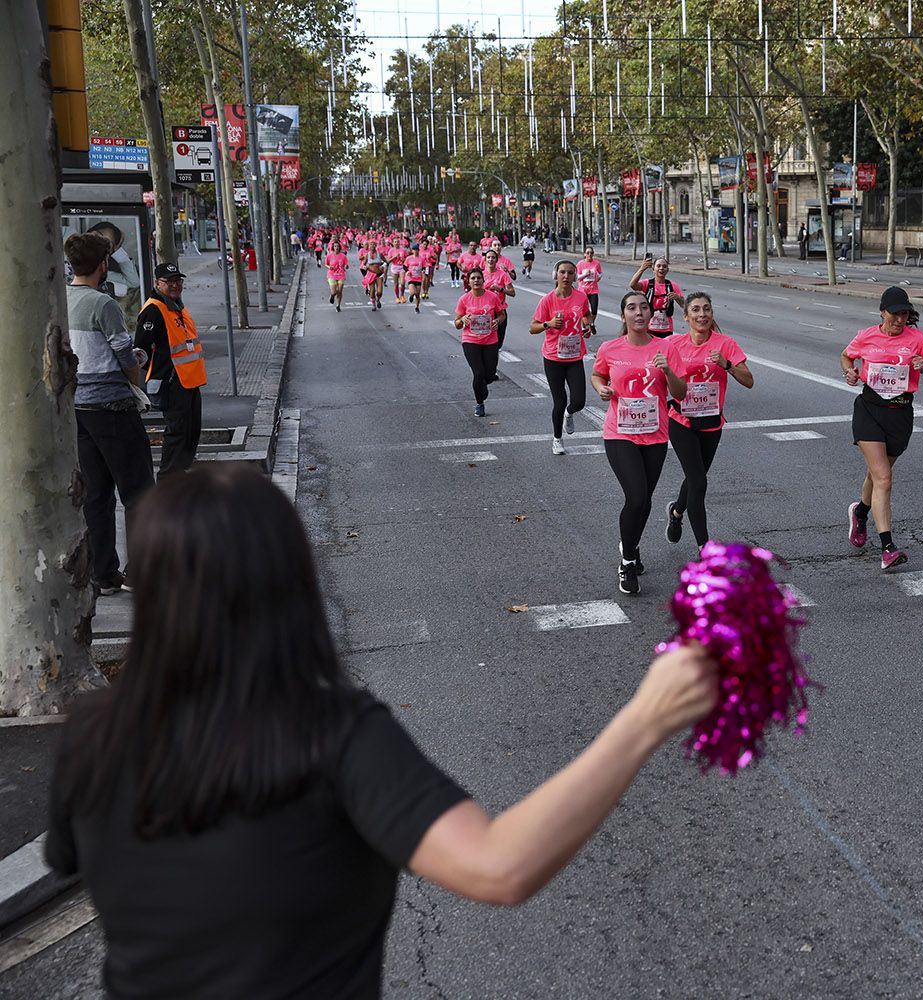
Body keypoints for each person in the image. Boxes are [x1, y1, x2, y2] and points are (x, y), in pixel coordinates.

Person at [45, 464, 718, 999]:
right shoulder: (333, 735)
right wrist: (643, 719)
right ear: (291, 583)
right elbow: (498, 866)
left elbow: (85, 868)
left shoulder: (91, 737)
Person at [65, 232, 155, 594]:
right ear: (103, 265)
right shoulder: (103, 305)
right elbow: (123, 355)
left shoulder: (61, 299)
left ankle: (104, 574)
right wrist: (137, 373)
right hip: (113, 408)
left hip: (79, 410)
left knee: (96, 495)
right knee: (138, 492)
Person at [839, 287, 923, 571]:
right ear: (882, 312)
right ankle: (888, 547)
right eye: (895, 314)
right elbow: (846, 356)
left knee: (877, 475)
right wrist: (849, 372)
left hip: (900, 412)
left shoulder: (918, 339)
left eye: (905, 314)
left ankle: (860, 512)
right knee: (884, 477)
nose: (900, 319)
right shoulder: (866, 335)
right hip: (869, 410)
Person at [592, 292, 687, 595]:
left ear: (651, 314)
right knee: (635, 497)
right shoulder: (610, 348)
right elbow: (597, 374)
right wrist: (602, 389)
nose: (639, 313)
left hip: (655, 433)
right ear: (623, 316)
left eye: (644, 308)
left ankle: (629, 541)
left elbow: (681, 393)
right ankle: (628, 560)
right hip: (619, 432)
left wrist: (669, 370)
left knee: (644, 500)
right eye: (631, 308)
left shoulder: (666, 348)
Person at [664, 292, 753, 550]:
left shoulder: (725, 344)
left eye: (706, 309)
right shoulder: (674, 344)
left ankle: (677, 512)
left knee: (696, 477)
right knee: (699, 482)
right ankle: (705, 547)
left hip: (712, 422)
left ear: (712, 314)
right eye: (695, 310)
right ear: (686, 316)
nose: (701, 314)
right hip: (681, 419)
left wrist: (727, 365)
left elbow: (749, 380)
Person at [135, 263, 207, 476]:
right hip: (172, 383)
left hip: (191, 381)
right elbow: (140, 350)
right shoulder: (153, 310)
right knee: (177, 434)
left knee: (190, 433)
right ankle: (168, 484)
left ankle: (179, 480)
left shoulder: (177, 306)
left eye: (178, 280)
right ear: (158, 283)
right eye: (169, 281)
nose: (175, 285)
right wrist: (160, 372)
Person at [529, 260, 596, 455]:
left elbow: (587, 314)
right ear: (556, 275)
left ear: (575, 276)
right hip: (553, 358)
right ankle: (557, 439)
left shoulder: (581, 297)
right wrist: (548, 324)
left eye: (570, 273)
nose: (566, 276)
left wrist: (587, 326)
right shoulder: (548, 300)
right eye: (562, 273)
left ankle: (570, 413)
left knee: (579, 401)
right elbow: (533, 327)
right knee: (559, 400)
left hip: (574, 356)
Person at [455, 267, 512, 418]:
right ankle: (479, 403)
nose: (476, 281)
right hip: (470, 340)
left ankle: (483, 385)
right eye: (473, 278)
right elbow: (456, 323)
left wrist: (497, 321)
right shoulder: (464, 299)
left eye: (478, 278)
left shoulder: (492, 297)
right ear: (469, 281)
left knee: (490, 374)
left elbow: (502, 315)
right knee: (478, 372)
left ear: (483, 280)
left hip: (490, 340)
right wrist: (462, 320)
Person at [629, 257, 685, 337]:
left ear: (667, 270)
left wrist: (677, 298)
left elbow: (684, 305)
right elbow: (633, 285)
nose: (661, 268)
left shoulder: (672, 286)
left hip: (666, 329)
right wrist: (642, 269)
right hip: (649, 328)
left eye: (664, 266)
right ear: (653, 269)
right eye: (658, 266)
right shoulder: (648, 284)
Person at [576, 246, 604, 316]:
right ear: (584, 254)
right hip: (583, 290)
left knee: (594, 310)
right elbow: (576, 277)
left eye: (591, 253)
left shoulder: (596, 263)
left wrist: (598, 277)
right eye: (587, 253)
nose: (589, 255)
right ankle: (584, 326)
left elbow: (600, 273)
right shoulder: (580, 264)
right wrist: (585, 275)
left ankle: (591, 324)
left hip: (593, 289)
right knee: (584, 310)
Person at [325, 243, 349, 312]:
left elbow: (346, 264)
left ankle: (338, 305)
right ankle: (332, 296)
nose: (336, 247)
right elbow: (326, 264)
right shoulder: (329, 255)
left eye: (338, 246)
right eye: (335, 246)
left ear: (339, 247)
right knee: (334, 291)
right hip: (331, 275)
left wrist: (346, 266)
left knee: (340, 291)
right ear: (333, 247)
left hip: (341, 274)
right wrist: (329, 267)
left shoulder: (343, 256)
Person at [404, 247, 424, 313]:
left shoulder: (421, 258)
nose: (416, 251)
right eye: (414, 250)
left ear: (418, 251)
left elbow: (424, 266)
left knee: (417, 294)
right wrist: (407, 271)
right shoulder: (409, 258)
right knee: (413, 292)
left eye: (417, 250)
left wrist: (423, 271)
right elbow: (404, 266)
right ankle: (411, 295)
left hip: (418, 278)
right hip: (411, 277)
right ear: (412, 251)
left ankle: (417, 307)